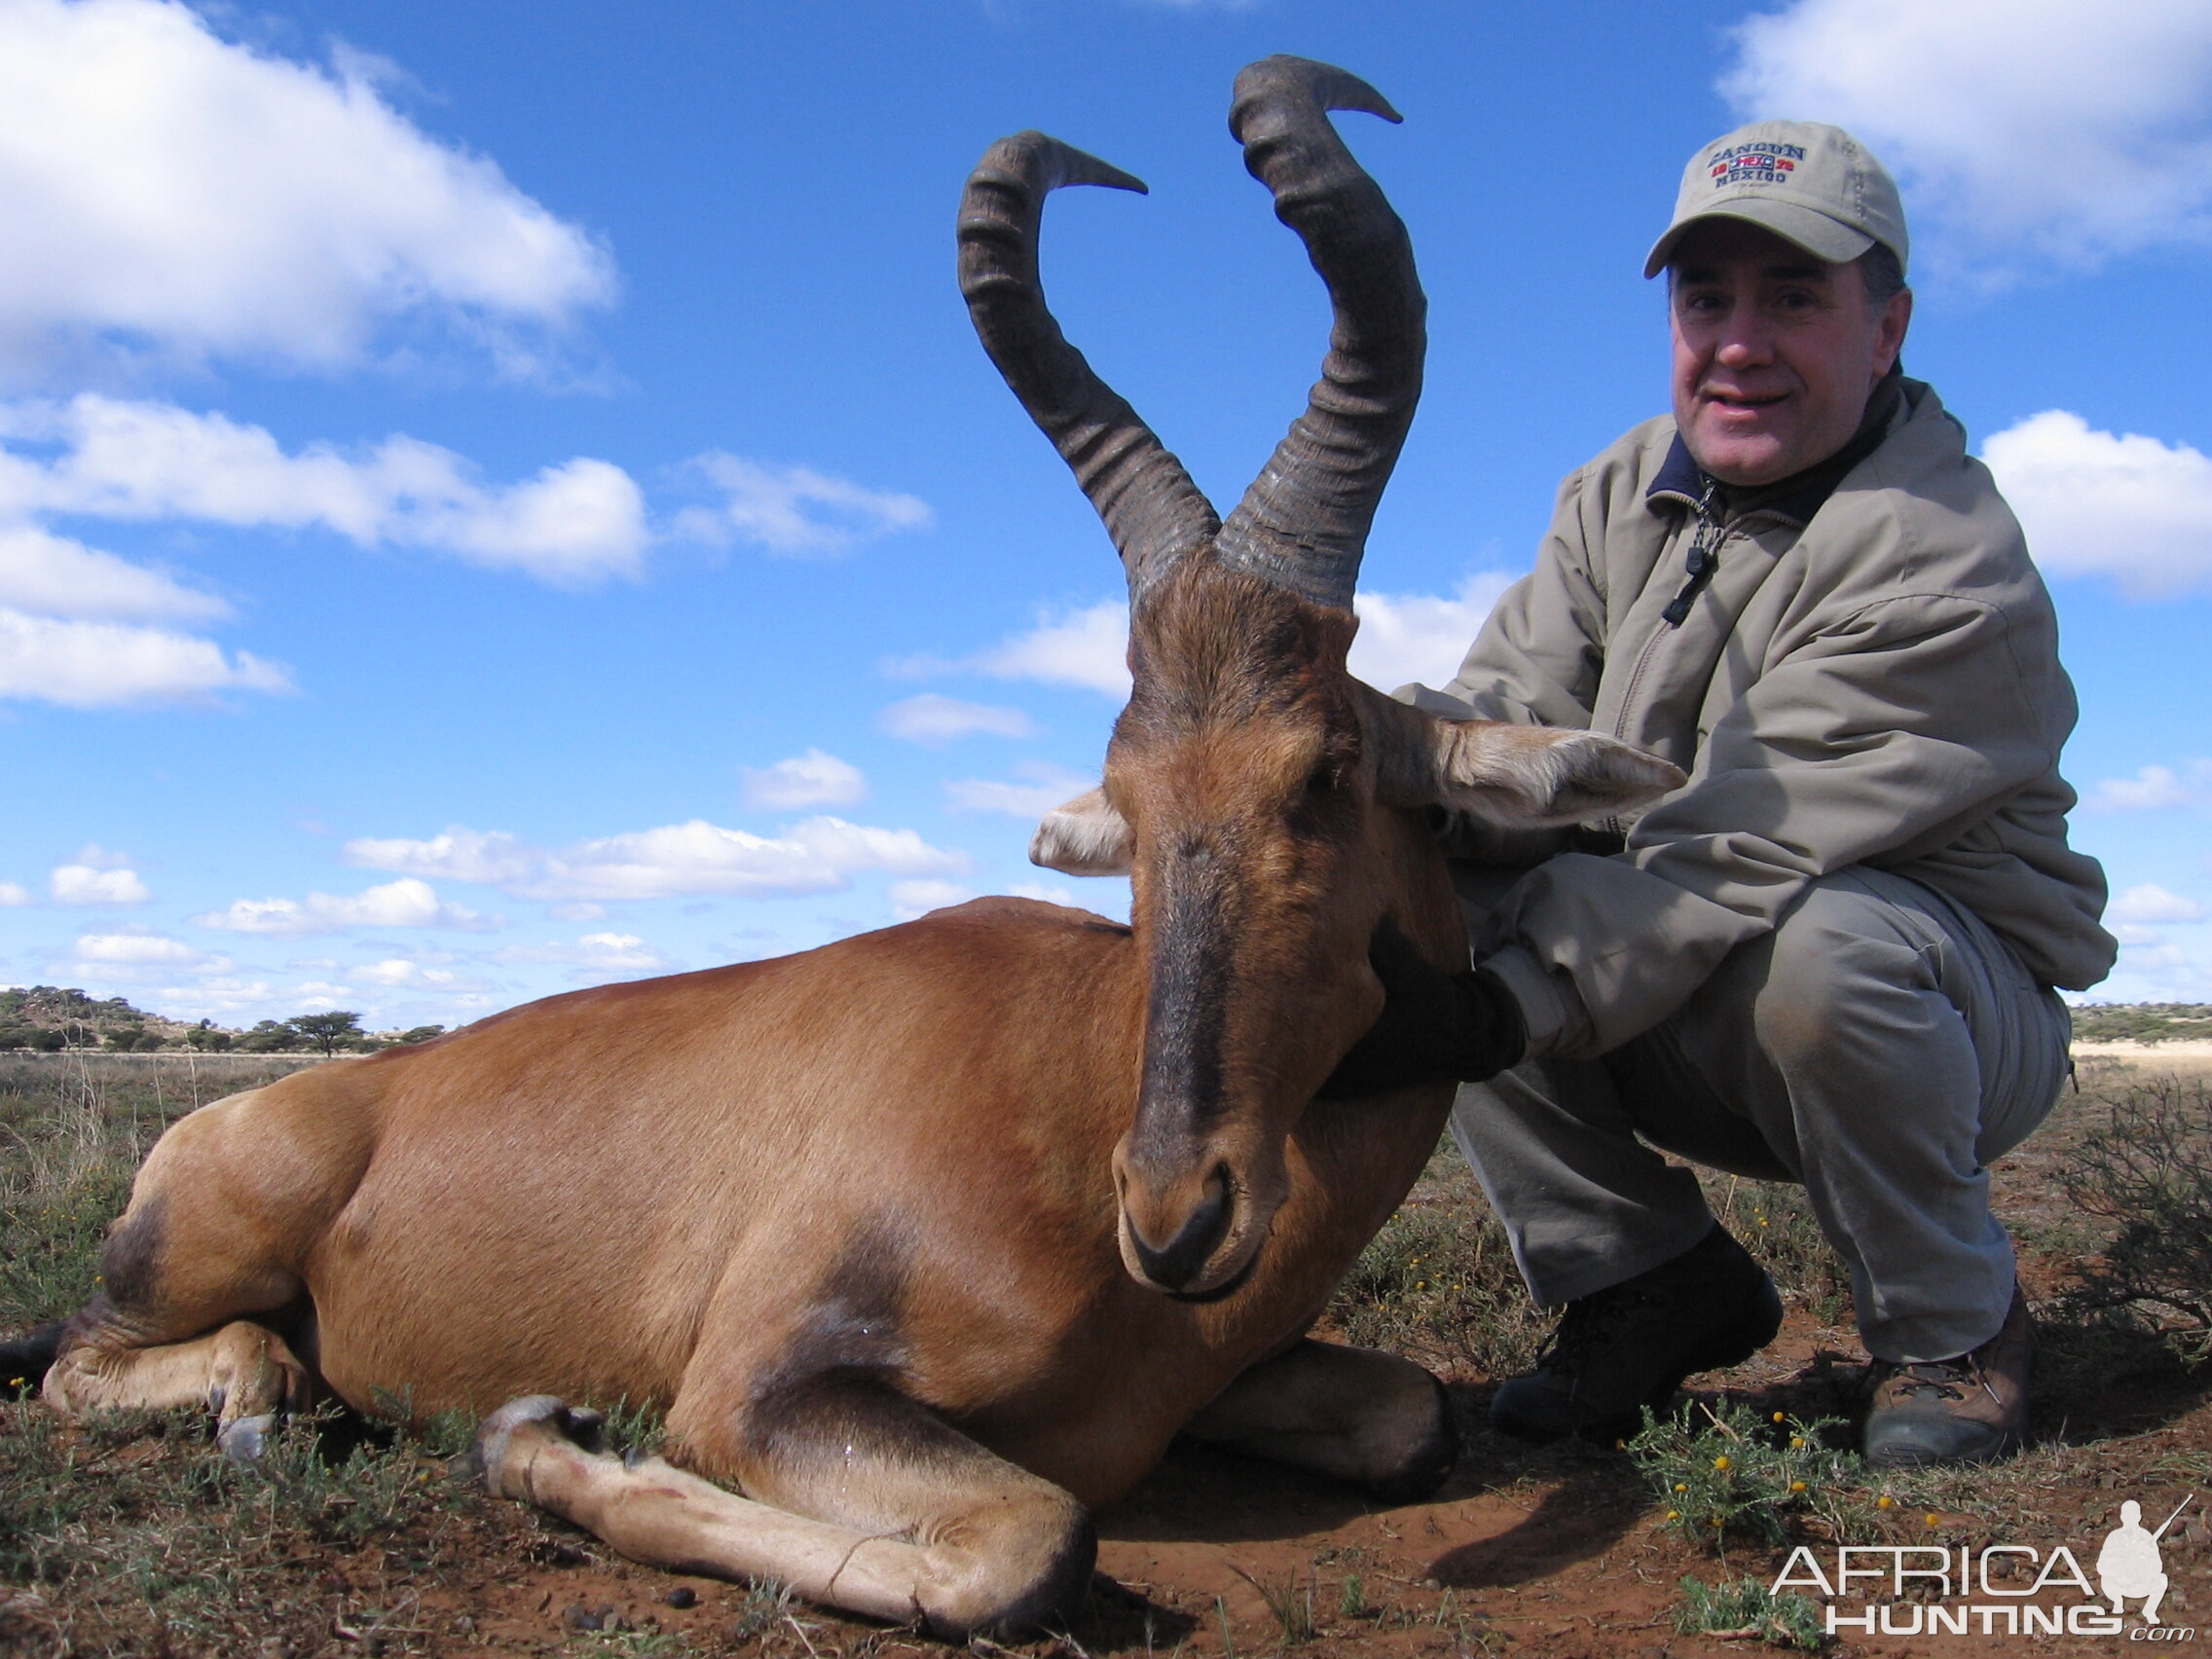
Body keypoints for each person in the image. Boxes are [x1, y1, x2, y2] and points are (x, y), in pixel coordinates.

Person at [1328, 121, 2115, 1468]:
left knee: (1826, 947)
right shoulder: (1623, 491)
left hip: (1925, 1015)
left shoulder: (1942, 562)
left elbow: (1734, 845)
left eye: (1794, 297)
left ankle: (1952, 1328)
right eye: (1708, 299)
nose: (1738, 342)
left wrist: (1487, 1013)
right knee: (1433, 879)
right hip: (1676, 975)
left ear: (1889, 328)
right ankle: (1645, 1282)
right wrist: (1356, 753)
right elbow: (1509, 725)